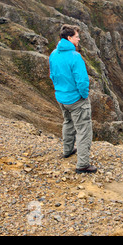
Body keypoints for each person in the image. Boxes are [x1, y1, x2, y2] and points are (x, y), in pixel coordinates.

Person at [49, 24, 97, 174]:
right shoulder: (75, 57)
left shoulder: (53, 54)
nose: (79, 39)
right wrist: (83, 95)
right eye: (77, 36)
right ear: (69, 38)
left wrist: (60, 89)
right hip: (76, 99)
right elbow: (82, 81)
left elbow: (52, 75)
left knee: (68, 122)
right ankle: (82, 164)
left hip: (61, 97)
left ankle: (67, 150)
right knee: (83, 130)